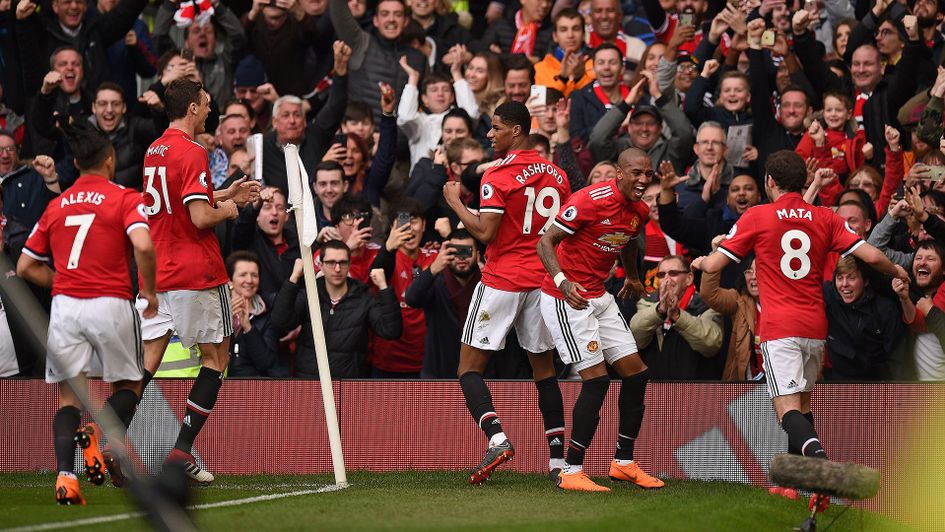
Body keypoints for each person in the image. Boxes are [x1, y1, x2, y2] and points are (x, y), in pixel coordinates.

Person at [691, 150, 909, 510]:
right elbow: (870, 256)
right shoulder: (824, 216)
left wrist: (702, 260)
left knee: (787, 409)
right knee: (804, 404)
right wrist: (898, 271)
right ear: (805, 183)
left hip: (780, 327)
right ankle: (796, 483)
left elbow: (715, 263)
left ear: (769, 182)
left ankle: (822, 470)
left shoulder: (757, 216)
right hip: (815, 326)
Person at [16, 122, 157, 503]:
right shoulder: (125, 198)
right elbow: (143, 245)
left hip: (65, 307)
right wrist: (149, 289)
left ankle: (65, 477)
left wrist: (62, 280)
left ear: (76, 163)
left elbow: (27, 266)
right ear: (110, 160)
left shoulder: (56, 205)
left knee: (68, 398)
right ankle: (97, 430)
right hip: (110, 302)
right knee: (130, 385)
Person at [137, 78, 259, 484]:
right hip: (196, 271)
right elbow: (199, 217)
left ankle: (105, 436)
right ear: (192, 108)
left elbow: (178, 205)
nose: (209, 109)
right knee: (217, 360)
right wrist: (229, 209)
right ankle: (180, 452)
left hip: (159, 270)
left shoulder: (154, 150)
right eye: (206, 103)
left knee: (146, 363)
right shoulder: (194, 150)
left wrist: (225, 193)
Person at [443, 100, 570, 484]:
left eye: (496, 127)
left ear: (516, 130)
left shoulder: (496, 175)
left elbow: (485, 232)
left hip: (502, 280)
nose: (489, 133)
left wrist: (456, 203)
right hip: (542, 281)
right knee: (544, 371)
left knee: (468, 367)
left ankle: (497, 437)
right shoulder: (559, 175)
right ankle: (558, 463)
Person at [535, 147, 663, 492]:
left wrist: (634, 277)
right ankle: (571, 470)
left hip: (599, 296)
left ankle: (623, 462)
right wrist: (563, 282)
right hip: (566, 298)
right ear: (618, 173)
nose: (642, 180)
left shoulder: (638, 209)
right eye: (636, 173)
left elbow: (629, 240)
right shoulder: (589, 200)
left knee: (637, 374)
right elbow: (546, 242)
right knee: (596, 381)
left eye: (647, 174)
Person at [272, 241, 402, 378]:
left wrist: (384, 287)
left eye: (343, 263)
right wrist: (293, 278)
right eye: (330, 263)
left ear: (349, 264)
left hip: (349, 384)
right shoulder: (309, 295)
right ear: (321, 265)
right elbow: (280, 322)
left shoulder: (363, 297)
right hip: (310, 381)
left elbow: (391, 331)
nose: (337, 269)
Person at [368, 198, 437, 378]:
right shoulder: (381, 258)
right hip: (387, 360)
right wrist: (388, 248)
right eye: (402, 222)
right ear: (392, 228)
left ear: (423, 225)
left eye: (413, 221)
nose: (408, 228)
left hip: (427, 362)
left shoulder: (436, 257)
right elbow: (371, 279)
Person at [629, 254, 724, 379]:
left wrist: (677, 316)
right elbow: (636, 338)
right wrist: (660, 311)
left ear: (689, 278)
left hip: (696, 391)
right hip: (655, 390)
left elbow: (711, 344)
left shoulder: (706, 305)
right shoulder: (647, 302)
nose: (667, 280)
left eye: (673, 273)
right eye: (661, 275)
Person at [823, 256, 905, 381]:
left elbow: (897, 359)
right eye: (840, 278)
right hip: (838, 382)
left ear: (865, 281)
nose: (844, 284)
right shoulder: (828, 296)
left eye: (851, 278)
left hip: (875, 383)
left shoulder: (884, 309)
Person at [226, 251, 287, 377]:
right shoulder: (217, 310)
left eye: (254, 275)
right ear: (230, 281)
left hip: (253, 387)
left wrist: (248, 327)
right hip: (219, 384)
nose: (249, 280)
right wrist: (227, 319)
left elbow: (266, 363)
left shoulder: (268, 312)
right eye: (243, 275)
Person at [892, 240, 945, 381]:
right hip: (922, 391)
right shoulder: (915, 295)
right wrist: (904, 298)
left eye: (930, 258)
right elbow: (919, 324)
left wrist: (930, 310)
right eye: (918, 258)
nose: (922, 263)